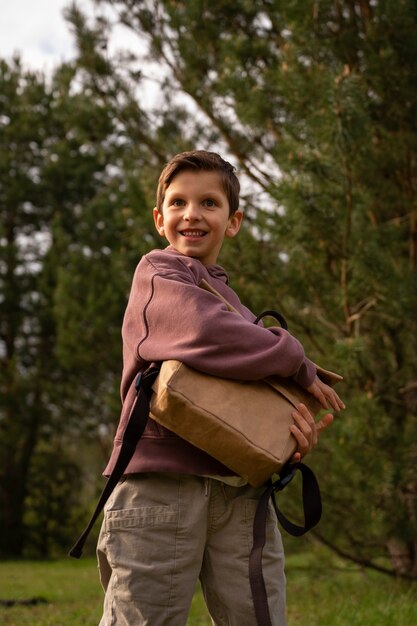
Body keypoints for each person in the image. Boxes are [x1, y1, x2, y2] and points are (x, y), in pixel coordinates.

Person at [97, 150, 345, 626]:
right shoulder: (158, 274)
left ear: (233, 222)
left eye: (209, 203)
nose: (192, 213)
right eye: (178, 202)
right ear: (159, 218)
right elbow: (202, 330)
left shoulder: (233, 304)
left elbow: (245, 391)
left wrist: (288, 439)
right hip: (160, 489)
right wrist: (294, 356)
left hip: (239, 491)